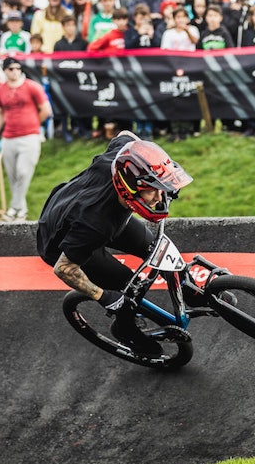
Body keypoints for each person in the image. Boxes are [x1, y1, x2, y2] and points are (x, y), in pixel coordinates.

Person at [36, 132, 194, 358]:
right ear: (130, 189)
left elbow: (125, 135)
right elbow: (63, 269)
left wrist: (152, 165)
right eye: (152, 191)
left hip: (82, 206)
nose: (159, 198)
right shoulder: (95, 225)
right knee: (127, 287)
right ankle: (124, 329)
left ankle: (190, 291)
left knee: (156, 247)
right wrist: (103, 297)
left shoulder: (124, 160)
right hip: (64, 241)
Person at [0, 56, 52, 220]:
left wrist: (34, 124)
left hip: (29, 136)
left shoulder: (32, 87)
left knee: (23, 173)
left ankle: (14, 208)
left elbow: (46, 110)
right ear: (5, 71)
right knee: (13, 176)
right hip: (8, 136)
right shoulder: (0, 90)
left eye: (18, 68)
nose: (15, 72)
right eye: (11, 69)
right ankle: (21, 211)